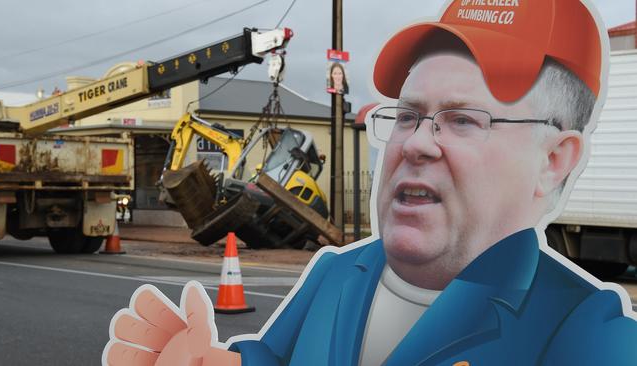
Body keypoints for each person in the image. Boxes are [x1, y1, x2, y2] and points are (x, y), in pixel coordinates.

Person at [103, 0, 637, 365]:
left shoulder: (588, 332)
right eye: (407, 116)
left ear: (554, 161)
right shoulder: (338, 273)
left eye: (463, 120)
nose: (416, 144)